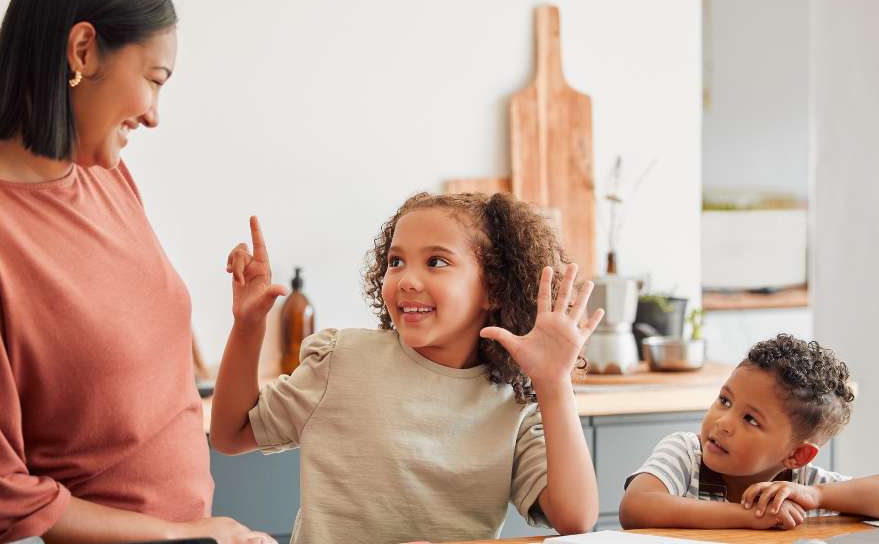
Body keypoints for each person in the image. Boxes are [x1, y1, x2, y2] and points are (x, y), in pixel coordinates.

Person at [0, 0, 272, 543]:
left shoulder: (102, 173)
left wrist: (243, 328)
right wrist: (182, 536)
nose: (153, 116)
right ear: (84, 50)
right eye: (152, 80)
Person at [208, 192, 605, 544]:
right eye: (396, 261)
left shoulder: (514, 404)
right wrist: (248, 326)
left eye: (436, 261)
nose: (407, 280)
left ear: (494, 288)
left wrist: (553, 384)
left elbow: (575, 519)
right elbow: (230, 435)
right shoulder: (341, 359)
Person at [620, 334, 879, 530]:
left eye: (750, 419)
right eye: (725, 401)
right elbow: (635, 507)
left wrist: (816, 495)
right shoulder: (686, 452)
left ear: (797, 454)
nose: (723, 421)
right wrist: (749, 517)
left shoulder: (800, 485)